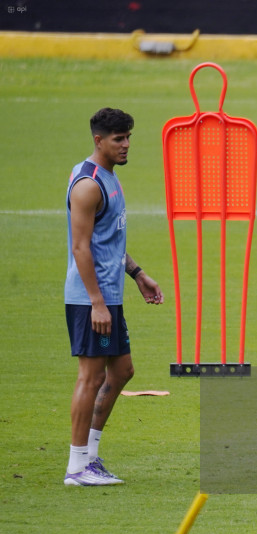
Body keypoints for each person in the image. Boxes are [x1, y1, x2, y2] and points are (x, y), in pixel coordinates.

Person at [64, 108, 163, 486]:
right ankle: (76, 468)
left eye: (128, 138)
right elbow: (81, 248)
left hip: (109, 294)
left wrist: (138, 274)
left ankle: (90, 455)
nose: (126, 145)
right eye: (118, 139)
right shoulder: (88, 185)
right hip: (91, 299)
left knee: (122, 371)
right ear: (98, 140)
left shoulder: (109, 178)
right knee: (90, 377)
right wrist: (97, 302)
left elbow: (109, 243)